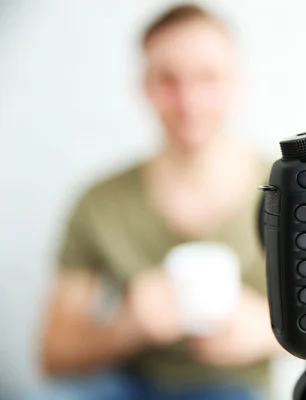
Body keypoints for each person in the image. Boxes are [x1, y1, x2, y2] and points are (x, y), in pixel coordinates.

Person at [39, 4, 279, 400]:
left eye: (207, 77)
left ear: (237, 82)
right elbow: (52, 352)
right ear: (145, 87)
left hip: (237, 387)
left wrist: (271, 330)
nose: (188, 100)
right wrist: (127, 326)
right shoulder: (101, 202)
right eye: (168, 79)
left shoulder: (290, 189)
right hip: (125, 384)